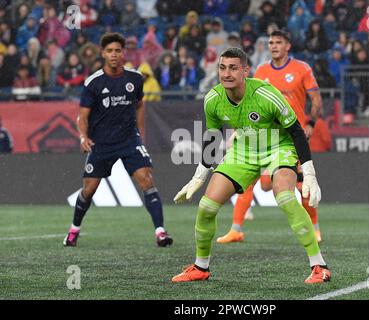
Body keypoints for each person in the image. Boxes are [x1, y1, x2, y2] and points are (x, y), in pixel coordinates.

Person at [171, 47, 330, 284]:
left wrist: (309, 173)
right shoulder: (213, 99)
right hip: (244, 151)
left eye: (233, 68)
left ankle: (319, 266)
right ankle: (200, 267)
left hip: (279, 147)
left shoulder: (266, 95)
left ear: (245, 71)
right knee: (206, 206)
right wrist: (199, 176)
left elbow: (296, 131)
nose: (226, 73)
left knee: (285, 197)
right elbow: (212, 137)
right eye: (222, 67)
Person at [63, 33, 173, 248]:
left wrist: (140, 134)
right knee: (89, 189)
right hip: (101, 143)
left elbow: (140, 105)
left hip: (128, 140)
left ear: (123, 53)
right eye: (109, 51)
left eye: (118, 51)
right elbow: (82, 116)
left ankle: (160, 232)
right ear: (103, 53)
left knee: (146, 179)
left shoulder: (134, 79)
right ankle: (74, 229)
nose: (114, 55)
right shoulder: (93, 82)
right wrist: (83, 137)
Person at [217, 30, 325, 244]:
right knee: (251, 181)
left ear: (288, 46)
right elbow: (250, 100)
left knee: (302, 184)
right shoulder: (261, 70)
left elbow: (316, 100)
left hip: (292, 134)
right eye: (271, 42)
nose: (274, 46)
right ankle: (236, 229)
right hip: (264, 134)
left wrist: (311, 124)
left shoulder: (301, 68)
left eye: (278, 42)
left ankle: (315, 230)